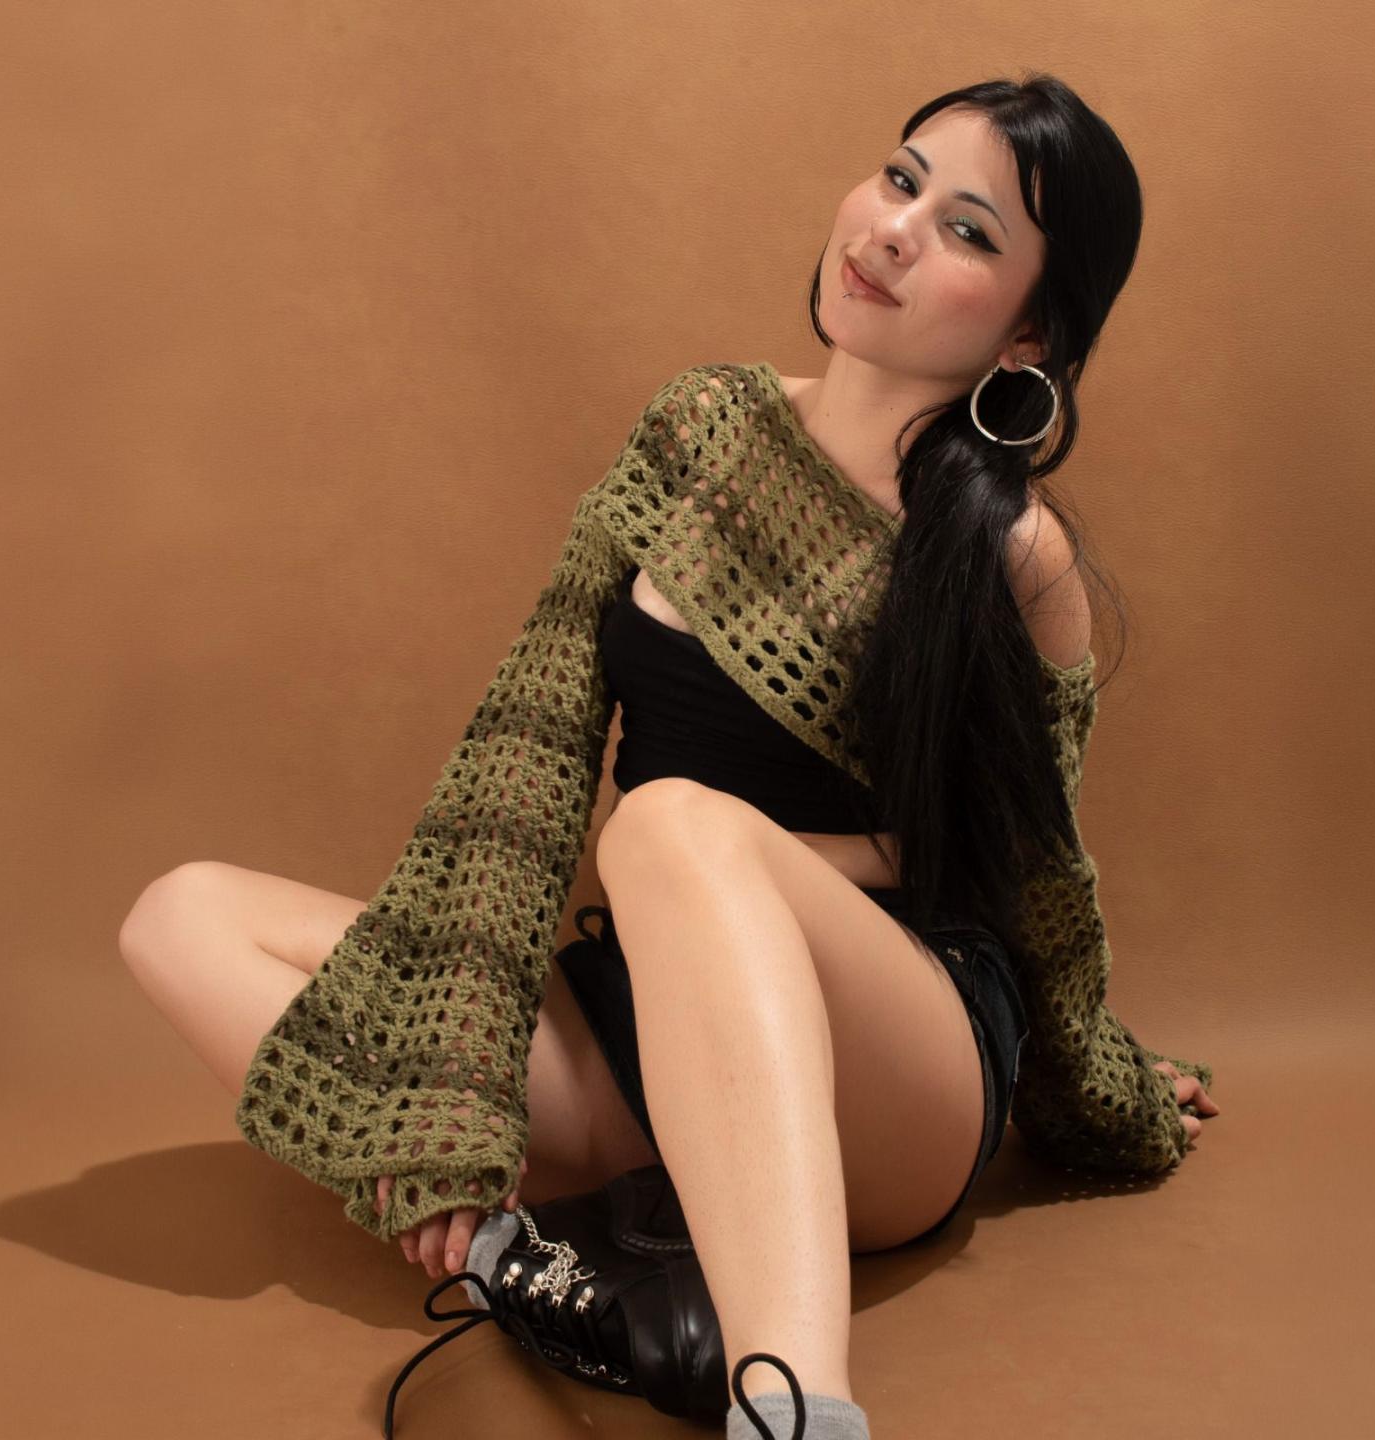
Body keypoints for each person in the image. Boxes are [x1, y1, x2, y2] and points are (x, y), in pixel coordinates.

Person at [119, 73, 1218, 1440]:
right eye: (900, 179)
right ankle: (515, 1254)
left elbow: (1019, 870)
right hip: (654, 1019)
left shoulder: (1010, 549)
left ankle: (797, 1412)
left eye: (967, 230)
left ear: (1031, 331)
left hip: (901, 1057)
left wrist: (1099, 1067)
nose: (893, 230)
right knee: (181, 915)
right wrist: (447, 1106)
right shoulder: (698, 428)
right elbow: (524, 758)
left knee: (668, 825)